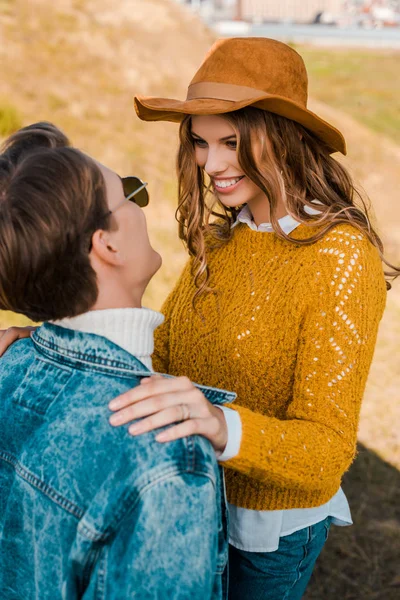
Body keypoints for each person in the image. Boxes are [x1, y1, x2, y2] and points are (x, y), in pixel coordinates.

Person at [0, 122, 232, 599]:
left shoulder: (9, 367)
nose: (141, 205)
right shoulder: (167, 453)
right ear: (107, 244)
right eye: (131, 194)